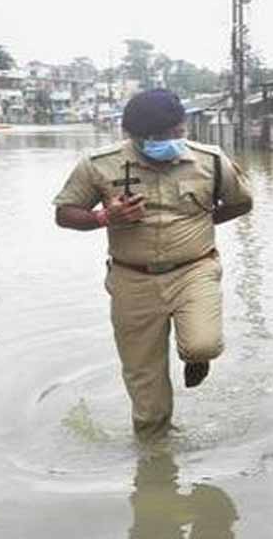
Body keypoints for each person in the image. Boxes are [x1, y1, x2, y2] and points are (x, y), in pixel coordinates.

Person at [52, 88, 253, 439]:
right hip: (133, 279)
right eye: (158, 137)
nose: (170, 142)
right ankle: (155, 451)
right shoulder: (100, 164)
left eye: (177, 133)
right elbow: (64, 215)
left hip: (195, 270)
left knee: (202, 343)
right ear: (132, 135)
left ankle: (195, 358)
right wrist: (104, 218)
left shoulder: (211, 160)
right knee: (144, 376)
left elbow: (241, 203)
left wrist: (200, 223)